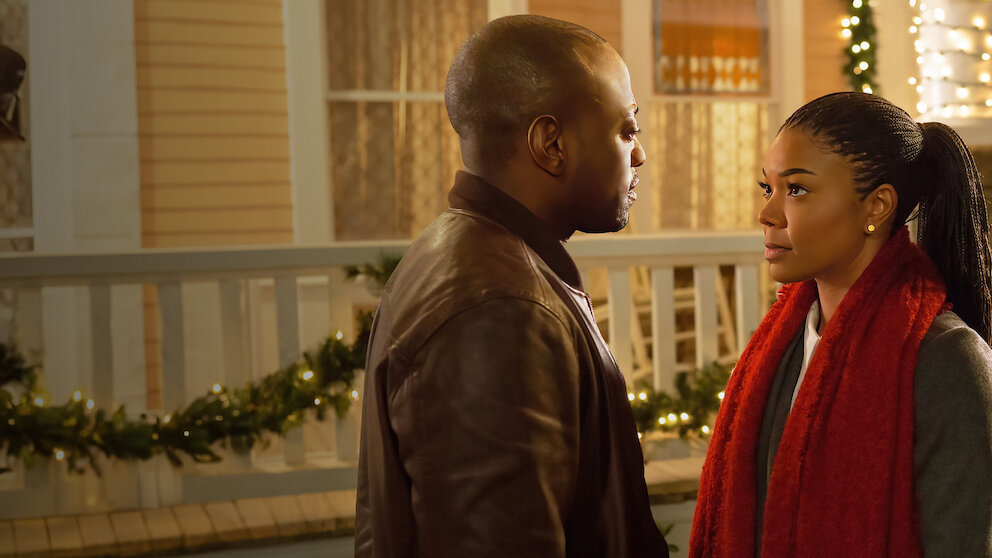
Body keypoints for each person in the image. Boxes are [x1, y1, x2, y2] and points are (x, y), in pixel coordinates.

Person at [355, 14, 669, 558]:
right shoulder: (499, 307)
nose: (638, 153)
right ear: (551, 143)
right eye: (625, 129)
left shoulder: (475, 252)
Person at [690, 91, 992, 557]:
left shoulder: (947, 359)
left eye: (797, 189)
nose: (767, 214)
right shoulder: (781, 344)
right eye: (768, 188)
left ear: (876, 206)